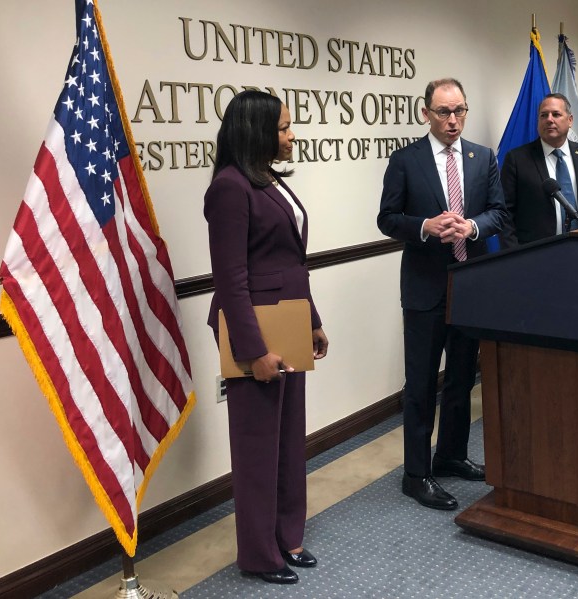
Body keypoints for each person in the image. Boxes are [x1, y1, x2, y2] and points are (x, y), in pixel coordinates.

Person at [204, 91, 329, 585]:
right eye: (282, 128)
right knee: (258, 446)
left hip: (290, 324)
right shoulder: (229, 189)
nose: (290, 135)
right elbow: (230, 277)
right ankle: (259, 553)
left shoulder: (267, 180)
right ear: (255, 132)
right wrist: (253, 352)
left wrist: (313, 320)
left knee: (288, 439)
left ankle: (287, 536)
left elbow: (290, 262)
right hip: (256, 334)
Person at [377, 78, 507, 510]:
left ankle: (451, 455)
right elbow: (387, 218)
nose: (453, 121)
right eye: (444, 112)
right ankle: (417, 473)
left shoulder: (482, 157)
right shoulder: (405, 160)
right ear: (426, 113)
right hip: (425, 289)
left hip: (470, 285)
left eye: (459, 111)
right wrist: (423, 227)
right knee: (420, 384)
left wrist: (471, 227)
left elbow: (498, 213)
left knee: (461, 379)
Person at [501, 93, 578, 245]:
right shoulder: (517, 159)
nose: (549, 119)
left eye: (556, 114)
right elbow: (505, 214)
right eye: (543, 115)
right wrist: (513, 256)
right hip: (536, 254)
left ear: (570, 120)